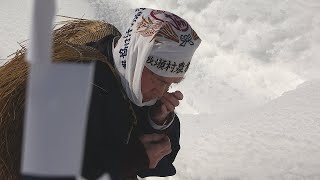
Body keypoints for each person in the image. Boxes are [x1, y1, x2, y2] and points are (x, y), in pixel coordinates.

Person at [21, 8, 201, 180]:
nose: (162, 92)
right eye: (160, 80)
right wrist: (129, 160)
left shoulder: (135, 86)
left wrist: (157, 122)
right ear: (138, 56)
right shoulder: (71, 81)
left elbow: (160, 165)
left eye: (171, 84)